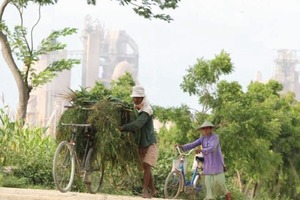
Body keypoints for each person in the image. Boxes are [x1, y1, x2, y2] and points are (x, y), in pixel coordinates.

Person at [118, 85, 159, 198]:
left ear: (142, 98)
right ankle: (154, 190)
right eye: (134, 97)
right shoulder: (133, 108)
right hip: (140, 143)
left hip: (150, 143)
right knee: (146, 168)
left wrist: (123, 127)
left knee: (146, 165)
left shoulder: (147, 109)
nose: (135, 99)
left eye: (137, 97)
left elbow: (138, 124)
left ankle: (144, 191)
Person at [176, 120, 231, 200]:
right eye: (203, 129)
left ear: (210, 129)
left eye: (207, 128)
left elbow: (212, 148)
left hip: (217, 163)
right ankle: (209, 197)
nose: (205, 130)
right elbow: (193, 144)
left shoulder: (215, 137)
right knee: (208, 181)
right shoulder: (202, 138)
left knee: (221, 183)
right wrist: (182, 147)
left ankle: (227, 195)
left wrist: (202, 150)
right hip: (208, 163)